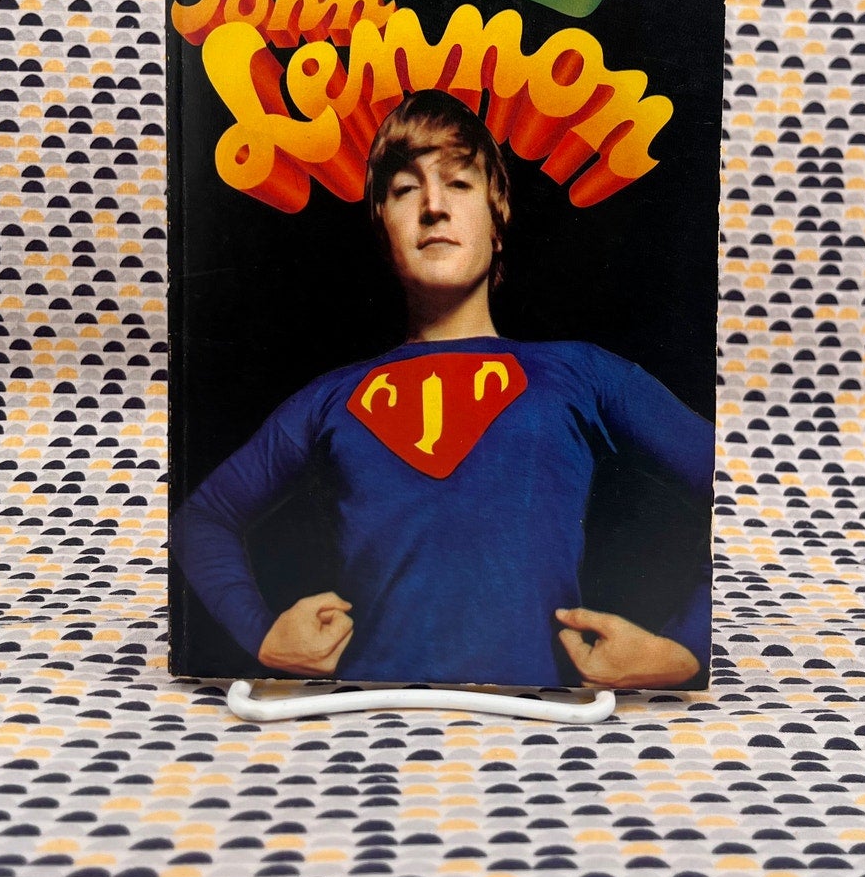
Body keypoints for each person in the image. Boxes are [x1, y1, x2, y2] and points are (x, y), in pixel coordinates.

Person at [171, 89, 715, 689]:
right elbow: (203, 519)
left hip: (543, 725)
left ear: (497, 218)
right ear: (383, 225)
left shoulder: (584, 373)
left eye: (458, 183)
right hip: (362, 724)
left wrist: (685, 650)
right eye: (406, 189)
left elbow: (736, 488)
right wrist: (262, 633)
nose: (433, 206)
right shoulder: (329, 398)